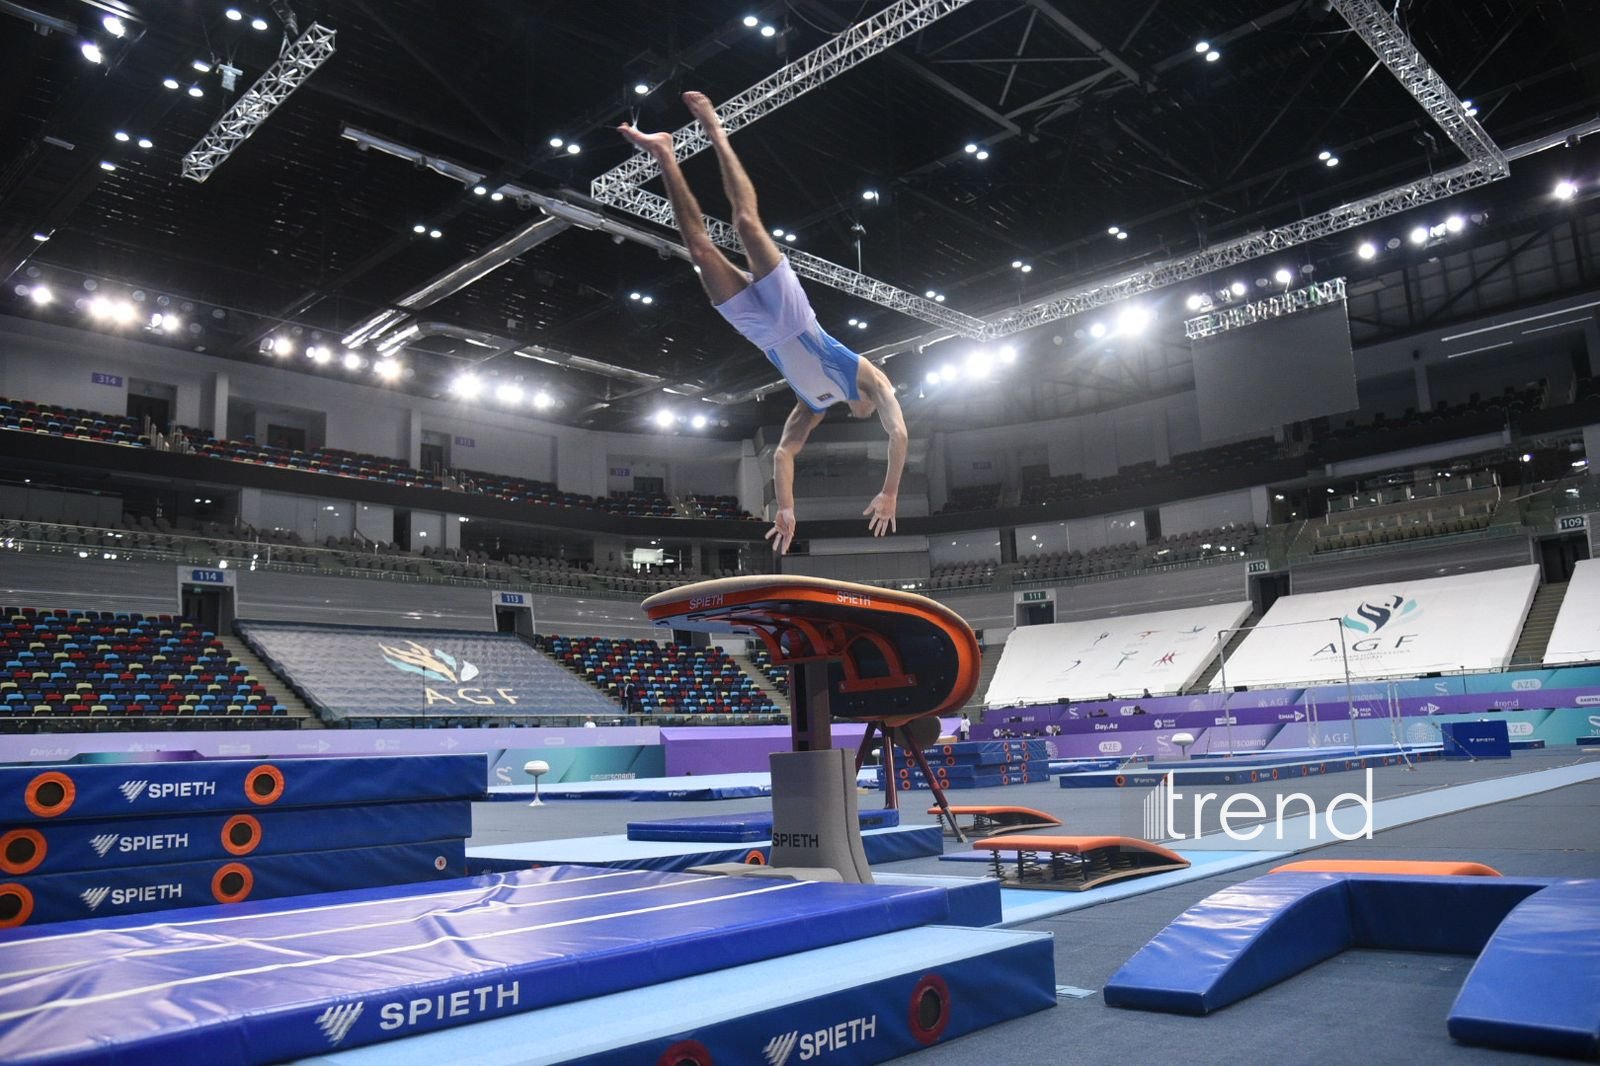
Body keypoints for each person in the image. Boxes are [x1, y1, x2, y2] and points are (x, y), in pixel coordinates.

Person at [619, 92, 908, 555]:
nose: (863, 416)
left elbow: (783, 452)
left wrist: (786, 508)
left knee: (699, 250)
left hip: (759, 332)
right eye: (867, 413)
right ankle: (715, 128)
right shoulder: (872, 379)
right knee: (747, 224)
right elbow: (899, 433)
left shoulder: (813, 405)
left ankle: (664, 153)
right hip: (793, 316)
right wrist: (890, 491)